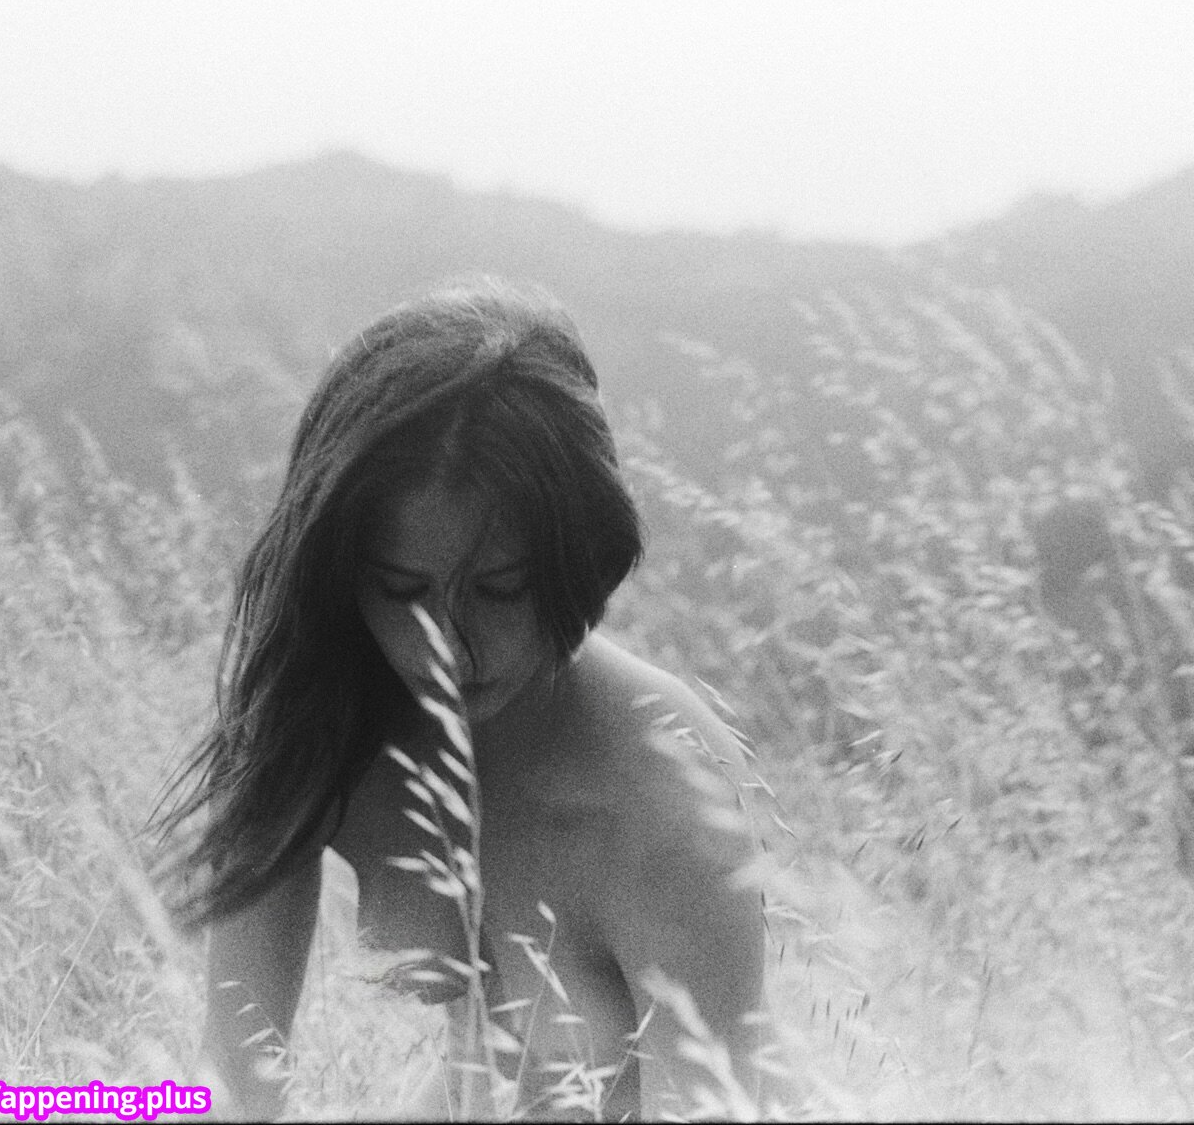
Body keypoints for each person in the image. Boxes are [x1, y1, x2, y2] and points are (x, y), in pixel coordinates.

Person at [156, 277, 766, 1120]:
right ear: (343, 573)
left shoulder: (666, 803)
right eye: (401, 588)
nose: (446, 644)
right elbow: (233, 1081)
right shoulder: (309, 719)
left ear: (578, 561)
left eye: (500, 588)